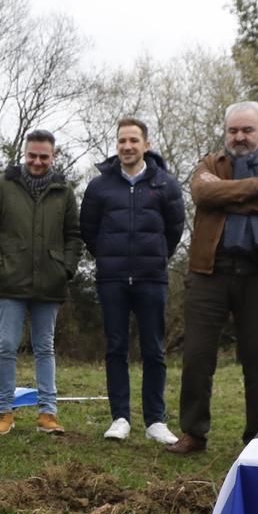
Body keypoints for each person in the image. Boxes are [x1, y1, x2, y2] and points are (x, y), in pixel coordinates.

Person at [167, 101, 258, 454]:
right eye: (233, 131)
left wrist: (227, 197)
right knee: (197, 357)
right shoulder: (210, 163)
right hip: (209, 271)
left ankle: (257, 437)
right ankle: (194, 434)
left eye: (247, 130)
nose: (239, 137)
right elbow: (201, 193)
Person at [80, 117, 186, 443]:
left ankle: (155, 421)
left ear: (146, 145)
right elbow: (89, 229)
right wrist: (109, 258)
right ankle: (120, 418)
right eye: (122, 141)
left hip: (151, 278)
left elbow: (174, 230)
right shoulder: (99, 186)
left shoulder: (166, 184)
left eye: (133, 141)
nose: (127, 146)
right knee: (115, 348)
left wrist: (153, 257)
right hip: (111, 278)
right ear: (117, 145)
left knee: (154, 349)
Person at [0, 129, 82, 435]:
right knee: (6, 346)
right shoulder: (2, 186)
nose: (37, 161)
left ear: (54, 156)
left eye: (43, 157)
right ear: (24, 154)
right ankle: (4, 411)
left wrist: (66, 269)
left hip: (50, 283)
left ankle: (48, 413)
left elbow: (74, 236)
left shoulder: (65, 192)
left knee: (45, 347)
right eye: (32, 155)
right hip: (10, 282)